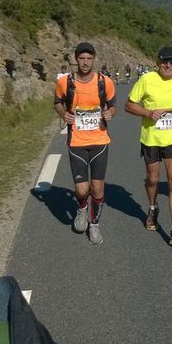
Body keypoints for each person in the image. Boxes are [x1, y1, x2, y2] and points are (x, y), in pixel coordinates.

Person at [124, 46, 172, 246]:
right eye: (165, 61)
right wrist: (148, 113)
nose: (168, 65)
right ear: (157, 62)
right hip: (151, 139)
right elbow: (128, 105)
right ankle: (153, 207)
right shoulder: (146, 80)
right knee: (153, 179)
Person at [54, 42, 116, 244]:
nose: (85, 62)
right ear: (76, 59)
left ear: (94, 59)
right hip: (77, 142)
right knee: (82, 190)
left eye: (89, 58)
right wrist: (65, 114)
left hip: (99, 140)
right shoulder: (65, 82)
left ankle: (95, 225)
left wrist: (109, 113)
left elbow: (112, 106)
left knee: (97, 189)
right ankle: (82, 208)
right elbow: (57, 103)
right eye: (82, 58)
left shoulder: (104, 82)